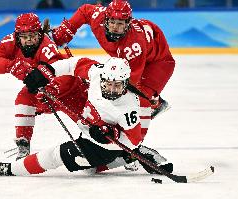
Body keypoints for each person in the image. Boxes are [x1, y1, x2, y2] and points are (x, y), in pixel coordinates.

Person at [0, 57, 172, 176]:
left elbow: (134, 140)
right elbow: (74, 64)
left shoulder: (129, 107)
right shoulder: (97, 73)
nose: (112, 89)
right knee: (89, 169)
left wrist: (111, 134)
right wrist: (47, 72)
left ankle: (9, 170)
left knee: (56, 155)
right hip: (87, 131)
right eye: (108, 84)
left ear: (125, 83)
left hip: (102, 144)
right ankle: (128, 158)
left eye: (117, 85)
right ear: (103, 77)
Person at [51, 0, 175, 170]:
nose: (116, 27)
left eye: (121, 23)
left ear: (128, 24)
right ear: (105, 19)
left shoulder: (134, 47)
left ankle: (134, 150)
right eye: (113, 22)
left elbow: (130, 87)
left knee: (141, 100)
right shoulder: (98, 18)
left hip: (158, 63)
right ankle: (156, 102)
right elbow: (85, 10)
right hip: (138, 54)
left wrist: (99, 88)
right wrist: (66, 31)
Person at [0, 13, 85, 160]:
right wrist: (12, 65)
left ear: (40, 34)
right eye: (24, 37)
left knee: (90, 123)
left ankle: (122, 150)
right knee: (24, 98)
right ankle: (23, 145)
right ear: (17, 36)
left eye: (33, 36)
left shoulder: (47, 47)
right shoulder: (9, 41)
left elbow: (59, 74)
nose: (29, 41)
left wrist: (48, 87)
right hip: (43, 91)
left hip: (69, 90)